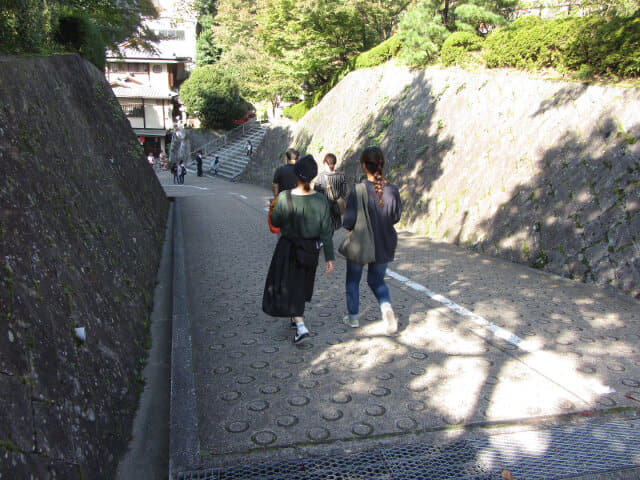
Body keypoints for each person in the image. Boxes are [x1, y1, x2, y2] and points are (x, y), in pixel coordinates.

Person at [263, 155, 335, 343]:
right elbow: (327, 230)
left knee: (288, 282)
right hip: (311, 249)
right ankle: (296, 319)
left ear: (296, 174)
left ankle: (301, 326)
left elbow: (276, 221)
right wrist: (329, 257)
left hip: (288, 247)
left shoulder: (285, 197)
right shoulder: (320, 200)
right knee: (302, 284)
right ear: (312, 177)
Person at [342, 146, 402, 334]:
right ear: (381, 165)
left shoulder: (357, 190)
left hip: (361, 244)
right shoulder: (392, 190)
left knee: (353, 280)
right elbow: (395, 217)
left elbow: (348, 222)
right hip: (384, 242)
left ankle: (353, 318)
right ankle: (387, 309)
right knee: (377, 281)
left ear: (363, 166)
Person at [314, 153, 347, 232]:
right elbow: (344, 191)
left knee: (328, 230)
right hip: (338, 206)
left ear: (325, 163)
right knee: (338, 228)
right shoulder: (341, 175)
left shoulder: (321, 177)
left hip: (326, 208)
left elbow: (316, 194)